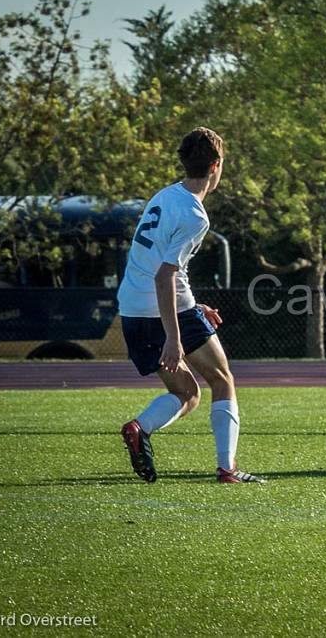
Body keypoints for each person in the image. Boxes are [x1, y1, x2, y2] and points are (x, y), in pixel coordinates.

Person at [118, 127, 264, 484]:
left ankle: (140, 427)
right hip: (165, 309)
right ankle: (227, 468)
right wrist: (174, 337)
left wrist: (195, 306)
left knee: (186, 393)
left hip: (132, 308)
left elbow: (162, 266)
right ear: (216, 166)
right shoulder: (196, 216)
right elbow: (164, 275)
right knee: (222, 379)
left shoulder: (164, 196)